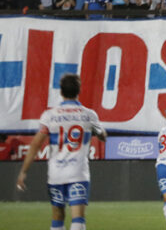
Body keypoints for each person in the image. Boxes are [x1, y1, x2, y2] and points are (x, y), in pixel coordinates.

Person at [16, 74, 106, 230]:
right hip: (78, 172)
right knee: (78, 217)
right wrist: (98, 132)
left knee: (57, 216)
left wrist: (23, 171)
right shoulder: (89, 115)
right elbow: (102, 136)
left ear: (61, 92)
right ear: (79, 90)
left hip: (56, 173)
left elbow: (36, 145)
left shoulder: (50, 115)